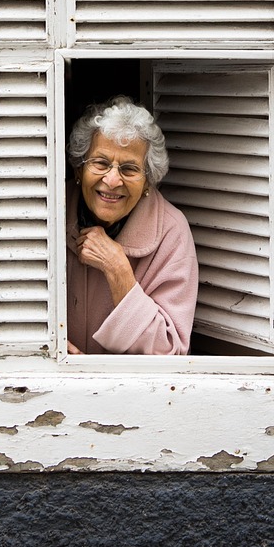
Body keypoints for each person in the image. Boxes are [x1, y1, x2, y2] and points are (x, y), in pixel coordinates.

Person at [66, 96, 198, 355]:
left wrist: (117, 270)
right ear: (79, 170)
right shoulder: (47, 211)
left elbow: (169, 353)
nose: (112, 180)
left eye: (129, 169)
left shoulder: (171, 232)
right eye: (101, 163)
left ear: (148, 182)